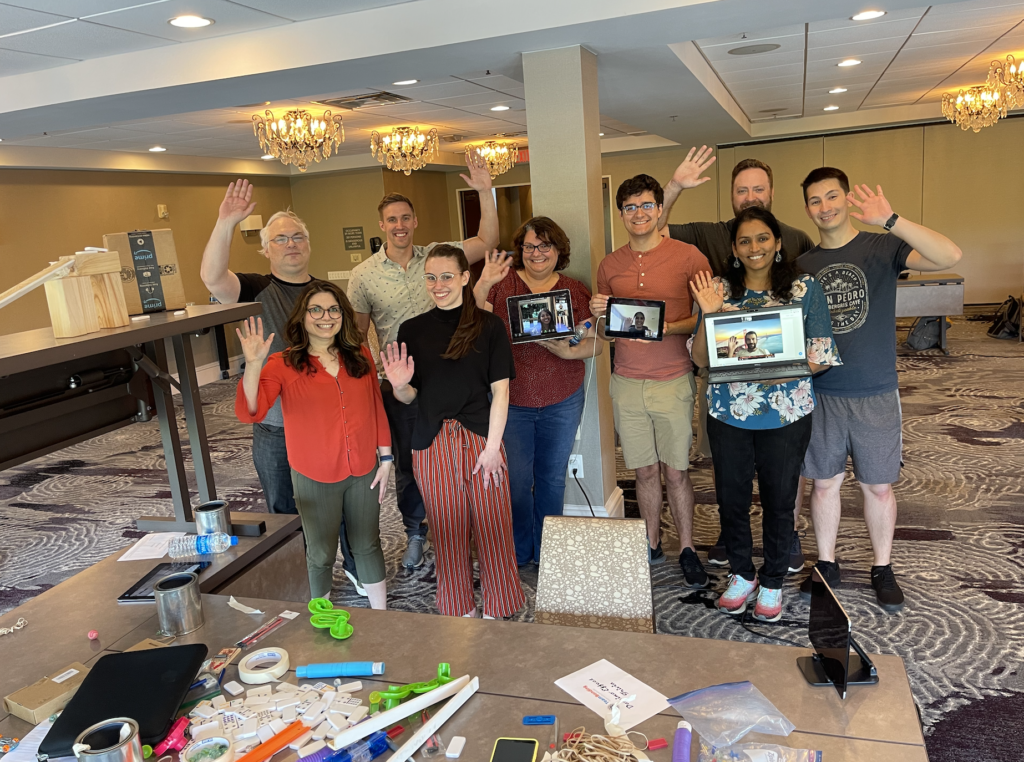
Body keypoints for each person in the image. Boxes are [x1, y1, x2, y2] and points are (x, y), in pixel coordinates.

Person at [797, 168, 962, 613]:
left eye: (832, 196)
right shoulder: (803, 266)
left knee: (879, 488)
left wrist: (891, 219)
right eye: (815, 200)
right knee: (824, 485)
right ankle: (826, 564)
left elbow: (949, 254)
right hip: (824, 392)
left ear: (847, 198)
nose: (825, 207)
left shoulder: (882, 246)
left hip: (875, 390)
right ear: (807, 208)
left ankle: (881, 567)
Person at [658, 149, 818, 571]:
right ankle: (738, 551)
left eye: (758, 188)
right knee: (731, 484)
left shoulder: (801, 257)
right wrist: (674, 186)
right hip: (728, 398)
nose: (750, 196)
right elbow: (652, 230)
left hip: (784, 402)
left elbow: (815, 341)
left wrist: (783, 372)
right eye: (742, 189)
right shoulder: (713, 255)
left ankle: (784, 549)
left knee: (781, 486)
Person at [200, 182, 363, 596]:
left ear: (308, 244)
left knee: (341, 501)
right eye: (281, 238)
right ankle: (303, 574)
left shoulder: (329, 293)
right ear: (266, 249)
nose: (291, 244)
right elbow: (212, 277)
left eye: (298, 237)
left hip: (328, 424)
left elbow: (350, 352)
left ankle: (356, 566)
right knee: (285, 508)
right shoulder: (254, 291)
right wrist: (225, 222)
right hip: (277, 428)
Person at [689, 207, 842, 621]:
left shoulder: (804, 288)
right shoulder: (718, 289)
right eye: (744, 241)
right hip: (728, 413)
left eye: (762, 239)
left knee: (779, 500)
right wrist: (708, 313)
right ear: (734, 250)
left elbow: (821, 354)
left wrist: (780, 374)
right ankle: (742, 573)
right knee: (731, 499)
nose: (754, 248)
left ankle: (773, 580)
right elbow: (702, 359)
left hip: (786, 411)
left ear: (777, 243)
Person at [348, 154, 499, 570]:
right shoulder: (363, 276)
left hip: (455, 377)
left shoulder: (438, 256)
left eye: (405, 218)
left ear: (414, 221)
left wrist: (485, 191)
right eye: (391, 219)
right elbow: (358, 335)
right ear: (382, 225)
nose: (399, 225)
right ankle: (416, 531)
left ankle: (465, 531)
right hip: (402, 385)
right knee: (412, 463)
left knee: (465, 456)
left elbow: (486, 240)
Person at [380, 245, 524, 618]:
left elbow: (501, 391)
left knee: (493, 526)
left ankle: (499, 606)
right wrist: (398, 384)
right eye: (431, 277)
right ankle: (459, 609)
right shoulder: (412, 330)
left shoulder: (489, 326)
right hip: (432, 443)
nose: (438, 285)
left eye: (446, 276)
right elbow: (411, 397)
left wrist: (493, 449)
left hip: (482, 439)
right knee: (447, 531)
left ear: (464, 278)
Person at [234, 282, 393, 609]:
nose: (326, 316)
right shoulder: (283, 363)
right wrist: (253, 364)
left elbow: (376, 405)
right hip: (315, 475)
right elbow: (253, 410)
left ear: (343, 315)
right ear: (302, 317)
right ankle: (318, 621)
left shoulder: (359, 353)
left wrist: (387, 457)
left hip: (364, 468)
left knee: (367, 543)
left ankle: (384, 617)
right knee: (320, 552)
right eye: (316, 309)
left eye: (333, 309)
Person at [590, 174, 712, 586]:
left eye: (646, 206)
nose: (638, 214)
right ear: (621, 214)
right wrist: (600, 316)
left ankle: (689, 548)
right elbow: (606, 333)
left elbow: (705, 314)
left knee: (676, 472)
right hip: (625, 382)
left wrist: (666, 328)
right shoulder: (610, 265)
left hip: (673, 380)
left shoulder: (689, 257)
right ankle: (651, 541)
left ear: (660, 209)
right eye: (630, 208)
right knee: (643, 472)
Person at [472, 217, 600, 565]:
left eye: (545, 246)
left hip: (563, 397)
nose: (537, 253)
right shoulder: (503, 284)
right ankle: (518, 549)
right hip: (510, 402)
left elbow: (596, 342)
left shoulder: (574, 290)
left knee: (552, 480)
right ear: (521, 251)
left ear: (559, 250)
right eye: (529, 246)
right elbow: (471, 319)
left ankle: (549, 552)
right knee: (515, 482)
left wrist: (570, 349)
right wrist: (483, 282)